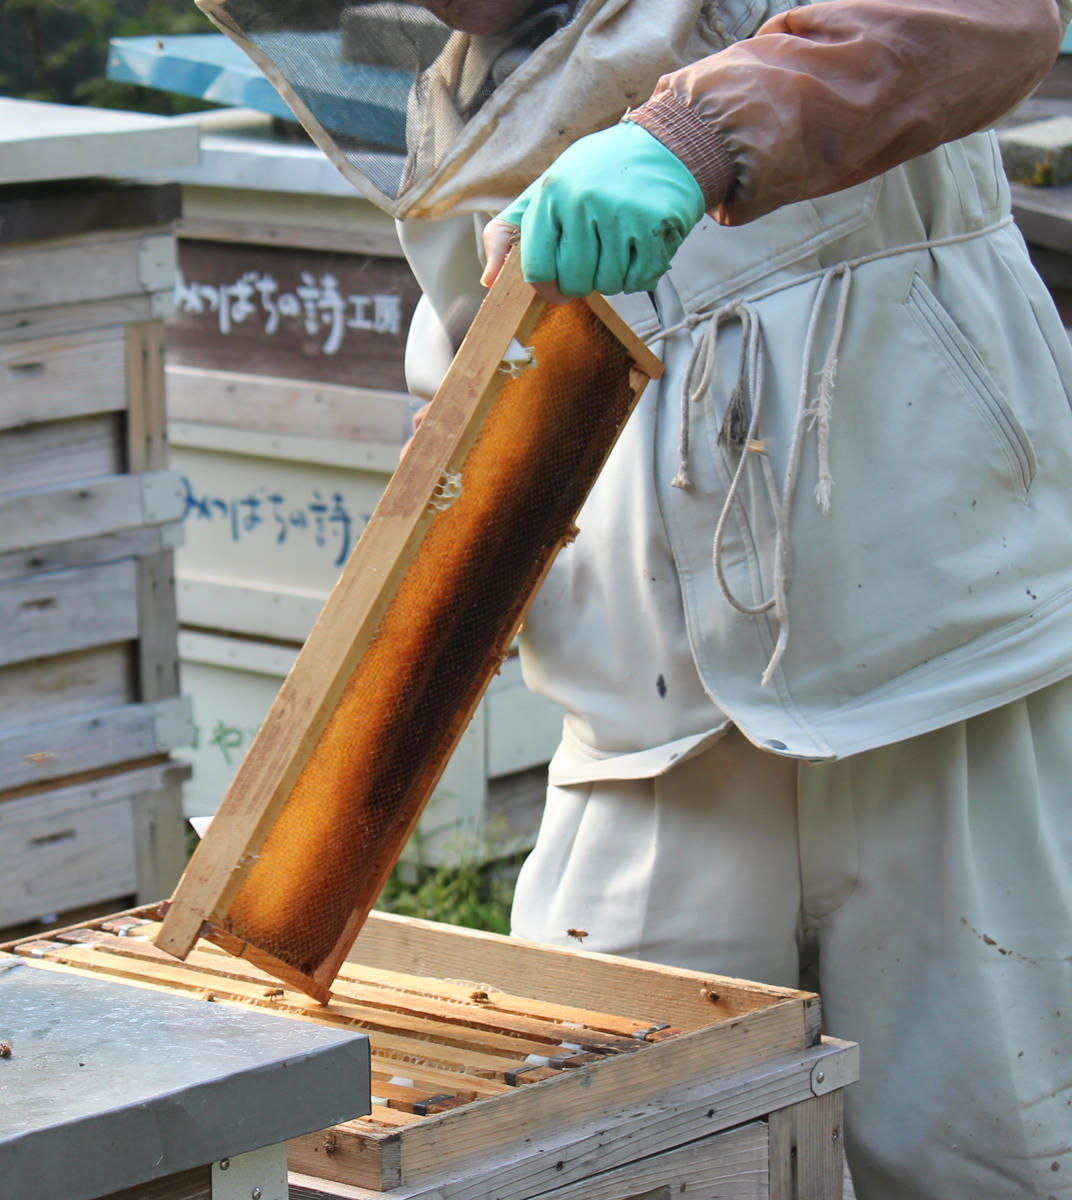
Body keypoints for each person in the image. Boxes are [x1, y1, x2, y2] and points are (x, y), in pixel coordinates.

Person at [395, 2, 1072, 1198]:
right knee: (610, 1151)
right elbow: (469, 384)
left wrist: (694, 137)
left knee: (989, 1149)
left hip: (938, 674)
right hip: (650, 724)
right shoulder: (452, 98)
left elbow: (998, 18)